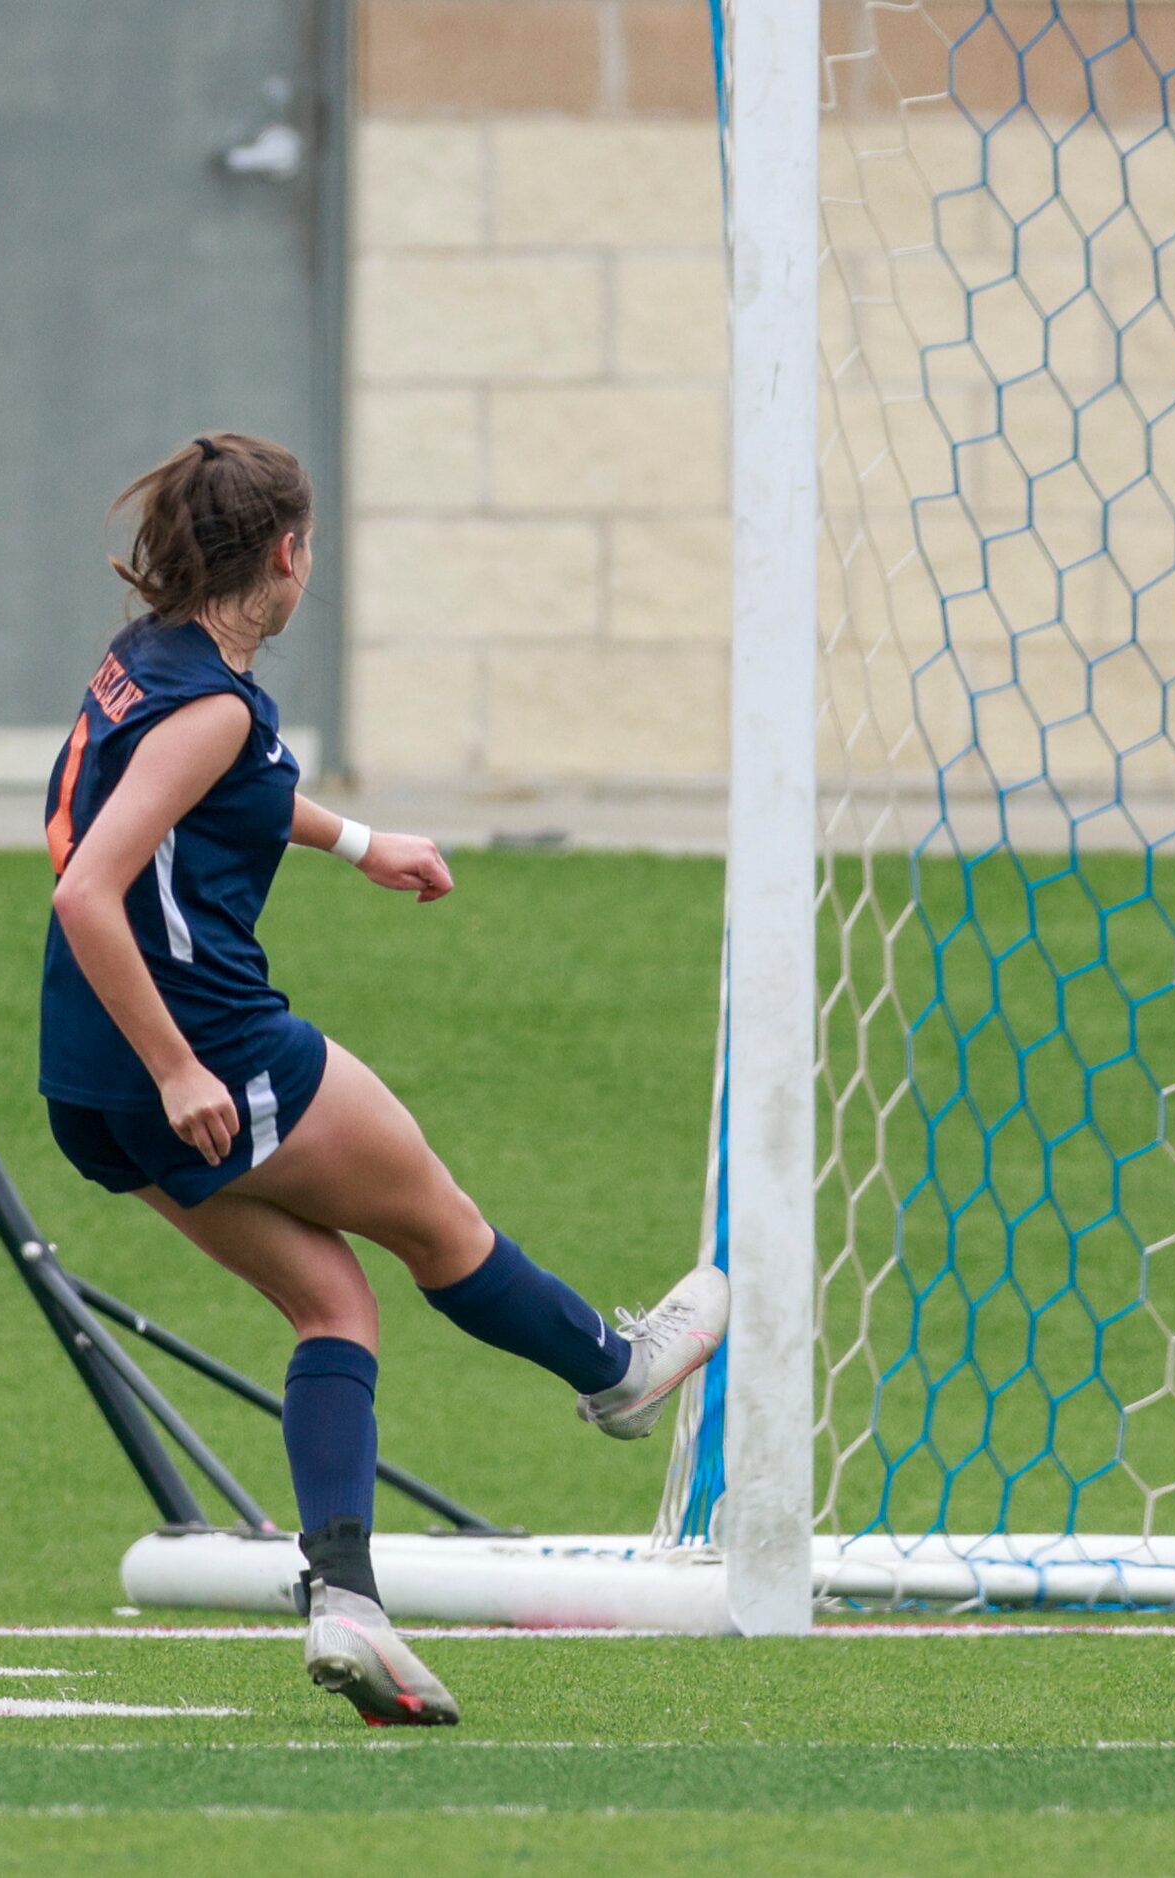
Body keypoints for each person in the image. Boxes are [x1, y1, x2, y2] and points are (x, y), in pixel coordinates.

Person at [39, 435, 729, 1726]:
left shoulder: (146, 666)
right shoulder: (216, 705)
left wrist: (361, 842)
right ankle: (616, 1370)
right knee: (436, 1222)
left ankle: (345, 1599)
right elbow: (87, 887)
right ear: (288, 553)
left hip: (85, 1082)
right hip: (206, 1050)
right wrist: (183, 1062)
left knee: (330, 1303)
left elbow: (215, 797)